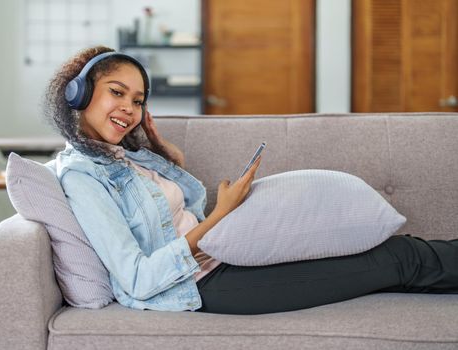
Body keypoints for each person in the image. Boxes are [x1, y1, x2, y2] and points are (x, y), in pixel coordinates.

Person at [43, 46, 458, 315]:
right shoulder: (83, 177)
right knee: (398, 261)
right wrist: (221, 215)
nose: (129, 108)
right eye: (116, 92)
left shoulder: (122, 159)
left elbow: (178, 209)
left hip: (222, 261)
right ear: (79, 94)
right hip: (206, 287)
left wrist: (161, 155)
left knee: (395, 252)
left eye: (137, 100)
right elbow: (137, 278)